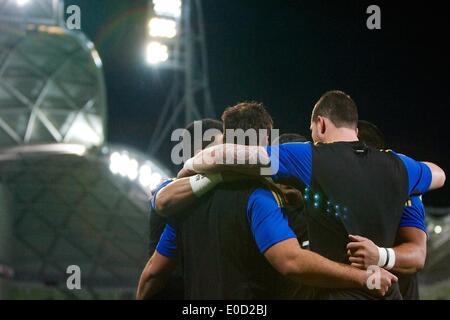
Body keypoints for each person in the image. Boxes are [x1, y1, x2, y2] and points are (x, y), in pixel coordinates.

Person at [179, 91, 446, 299]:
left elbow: (237, 156)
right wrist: (380, 255)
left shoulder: (308, 155)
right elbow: (439, 175)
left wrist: (193, 165)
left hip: (339, 294)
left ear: (320, 124)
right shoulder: (401, 166)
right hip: (389, 293)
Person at [137, 102, 397, 300]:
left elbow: (153, 272)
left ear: (226, 140)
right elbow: (291, 262)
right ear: (265, 142)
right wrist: (362, 277)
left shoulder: (184, 205)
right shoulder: (261, 197)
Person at [346, 120, 427, 300]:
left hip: (397, 293)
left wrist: (380, 256)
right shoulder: (335, 185)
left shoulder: (401, 184)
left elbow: (418, 255)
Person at [146, 118, 223, 299]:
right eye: (220, 148)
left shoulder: (215, 191)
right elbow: (163, 201)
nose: (225, 153)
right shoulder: (167, 189)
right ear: (200, 153)